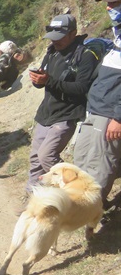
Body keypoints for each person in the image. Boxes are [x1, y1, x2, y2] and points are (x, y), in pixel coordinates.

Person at [23, 14, 100, 202]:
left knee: (46, 157)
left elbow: (82, 88)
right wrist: (38, 81)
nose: (55, 41)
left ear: (73, 33)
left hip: (66, 115)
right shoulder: (52, 52)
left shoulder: (85, 56)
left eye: (60, 37)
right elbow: (45, 81)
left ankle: (78, 193)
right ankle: (33, 200)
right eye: (53, 37)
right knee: (35, 160)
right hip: (46, 113)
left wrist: (49, 81)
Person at [73, 0, 121, 209]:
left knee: (99, 167)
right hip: (96, 110)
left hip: (109, 114)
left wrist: (118, 117)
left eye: (115, 2)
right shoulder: (117, 37)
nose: (108, 7)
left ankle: (89, 216)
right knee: (82, 161)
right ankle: (81, 211)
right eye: (107, 2)